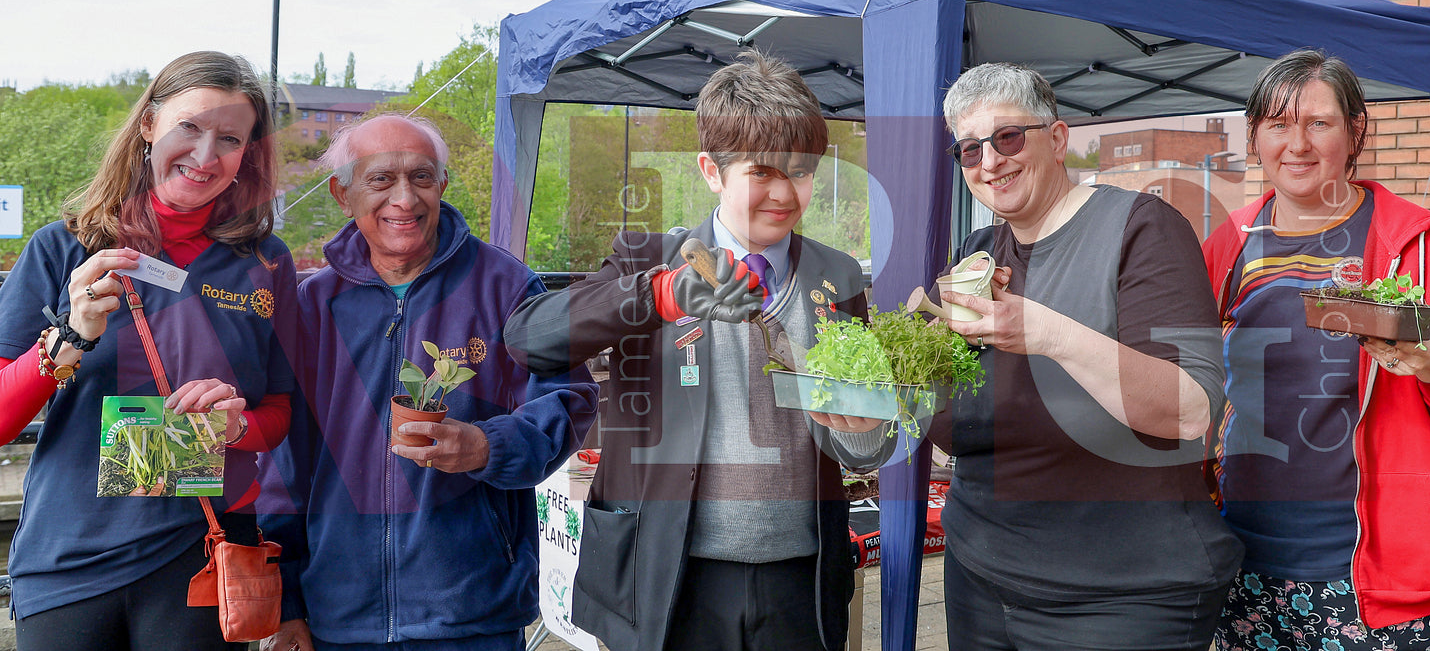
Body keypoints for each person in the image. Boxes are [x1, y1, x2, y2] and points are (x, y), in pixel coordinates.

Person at [503, 50, 888, 651]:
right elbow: (529, 337)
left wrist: (864, 430)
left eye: (803, 170)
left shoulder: (836, 275)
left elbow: (859, 431)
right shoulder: (649, 257)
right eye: (763, 172)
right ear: (712, 170)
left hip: (802, 577)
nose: (786, 192)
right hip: (667, 577)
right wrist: (662, 296)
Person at [931, 62, 1243, 650]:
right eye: (970, 151)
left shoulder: (1141, 229)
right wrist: (891, 386)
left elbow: (1189, 411)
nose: (990, 162)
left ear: (1057, 138)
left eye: (1007, 138)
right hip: (983, 574)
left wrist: (1047, 331)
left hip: (1123, 593)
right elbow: (961, 424)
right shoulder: (977, 251)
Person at [257, 112, 598, 651]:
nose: (404, 199)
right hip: (338, 615)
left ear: (442, 184)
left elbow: (569, 397)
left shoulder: (505, 286)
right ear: (342, 194)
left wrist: (489, 446)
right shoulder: (310, 307)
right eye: (379, 180)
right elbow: (283, 464)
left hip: (472, 615)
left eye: (420, 177)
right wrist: (288, 602)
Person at [1203, 49, 1430, 651]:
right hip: (1239, 559)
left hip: (1373, 576)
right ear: (1255, 134)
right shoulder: (1229, 244)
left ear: (1355, 129)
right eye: (1278, 124)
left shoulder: (1419, 248)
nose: (1298, 144)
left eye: (1319, 123)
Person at [0, 51, 295, 650]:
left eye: (230, 138)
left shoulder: (266, 264)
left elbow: (279, 414)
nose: (205, 155)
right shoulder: (63, 249)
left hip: (202, 556)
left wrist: (236, 427)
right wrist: (69, 339)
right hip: (70, 559)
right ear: (148, 126)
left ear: (247, 156)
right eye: (189, 127)